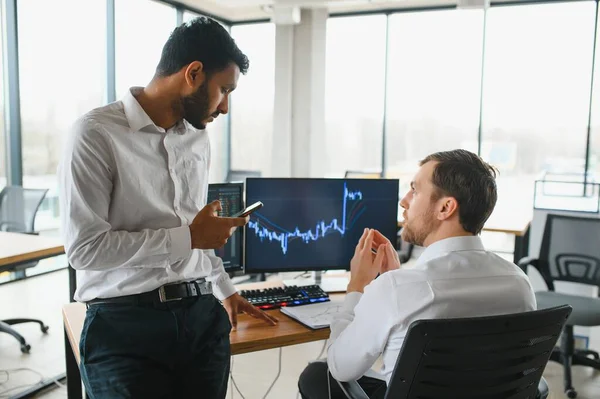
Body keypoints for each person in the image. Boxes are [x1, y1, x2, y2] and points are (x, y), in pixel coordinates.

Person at [58, 17, 277, 399]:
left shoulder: (197, 138)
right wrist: (187, 238)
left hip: (202, 317)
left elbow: (198, 232)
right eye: (223, 90)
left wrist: (224, 289)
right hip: (124, 325)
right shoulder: (95, 134)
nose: (225, 107)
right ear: (193, 73)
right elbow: (84, 250)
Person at [298, 149, 537, 399]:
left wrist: (357, 287)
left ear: (445, 207)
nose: (404, 201)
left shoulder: (396, 290)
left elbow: (340, 367)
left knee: (318, 374)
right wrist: (395, 283)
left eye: (415, 190)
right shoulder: (519, 283)